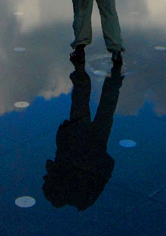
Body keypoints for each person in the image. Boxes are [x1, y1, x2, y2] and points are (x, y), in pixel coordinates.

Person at [42, 58, 123, 211]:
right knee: (81, 106)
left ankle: (113, 80)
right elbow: (50, 165)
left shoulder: (84, 198)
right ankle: (82, 74)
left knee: (105, 112)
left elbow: (106, 171)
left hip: (95, 152)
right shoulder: (74, 194)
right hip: (75, 142)